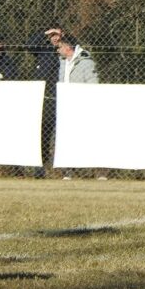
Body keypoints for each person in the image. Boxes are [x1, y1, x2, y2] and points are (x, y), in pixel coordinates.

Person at [57, 33, 100, 180]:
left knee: (89, 137)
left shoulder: (86, 62)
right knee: (67, 137)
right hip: (66, 105)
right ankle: (68, 170)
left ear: (67, 47)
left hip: (83, 105)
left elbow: (93, 83)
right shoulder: (63, 62)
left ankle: (98, 171)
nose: (57, 50)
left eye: (60, 47)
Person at [26, 26, 64, 174]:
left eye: (58, 35)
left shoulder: (67, 50)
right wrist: (44, 32)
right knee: (43, 132)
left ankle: (62, 169)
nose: (55, 38)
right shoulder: (44, 50)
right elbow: (29, 46)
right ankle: (40, 167)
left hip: (58, 96)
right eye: (53, 35)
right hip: (44, 98)